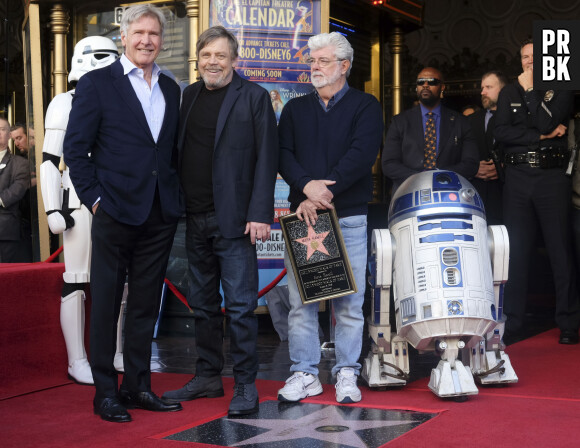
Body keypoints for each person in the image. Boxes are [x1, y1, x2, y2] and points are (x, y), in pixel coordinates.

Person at [63, 4, 183, 423]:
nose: (147, 40)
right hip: (113, 211)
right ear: (124, 36)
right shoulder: (97, 84)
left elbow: (167, 152)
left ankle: (137, 386)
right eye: (139, 33)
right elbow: (75, 151)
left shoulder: (171, 88)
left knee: (145, 306)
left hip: (159, 212)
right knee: (107, 304)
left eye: (154, 34)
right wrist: (95, 200)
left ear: (161, 40)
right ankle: (105, 393)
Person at [161, 26, 278, 417]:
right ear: (199, 58)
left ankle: (245, 385)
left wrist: (261, 213)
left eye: (221, 56)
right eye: (207, 55)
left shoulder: (255, 97)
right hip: (193, 218)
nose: (213, 62)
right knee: (203, 306)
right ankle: (209, 376)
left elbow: (267, 159)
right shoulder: (188, 96)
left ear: (234, 60)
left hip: (236, 221)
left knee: (242, 307)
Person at [277, 32, 383, 404]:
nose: (314, 67)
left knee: (349, 304)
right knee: (302, 301)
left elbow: (362, 153)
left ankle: (347, 373)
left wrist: (323, 193)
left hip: (348, 216)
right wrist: (307, 187)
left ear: (344, 65)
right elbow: (283, 155)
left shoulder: (366, 106)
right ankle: (304, 373)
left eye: (322, 61)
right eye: (311, 61)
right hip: (303, 216)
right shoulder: (294, 109)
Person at [39, 36, 120, 385]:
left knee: (123, 281)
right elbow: (48, 161)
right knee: (76, 279)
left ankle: (116, 353)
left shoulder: (123, 98)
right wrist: (52, 209)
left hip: (118, 199)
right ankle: (77, 359)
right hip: (78, 202)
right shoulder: (64, 102)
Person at [494, 38, 580, 345]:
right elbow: (499, 132)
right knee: (516, 251)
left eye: (535, 56)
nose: (529, 61)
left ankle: (568, 322)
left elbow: (547, 116)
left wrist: (531, 92)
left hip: (551, 178)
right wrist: (541, 135)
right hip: (517, 178)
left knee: (560, 250)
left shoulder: (562, 87)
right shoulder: (507, 92)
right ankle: (514, 321)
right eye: (525, 57)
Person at [382, 67, 478, 194]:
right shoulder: (399, 122)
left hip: (449, 193)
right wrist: (420, 178)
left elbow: (471, 164)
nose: (425, 85)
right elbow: (389, 164)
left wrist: (438, 177)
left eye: (432, 82)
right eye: (421, 82)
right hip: (408, 192)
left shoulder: (460, 122)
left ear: (442, 87)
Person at [468, 70, 508, 225]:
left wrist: (504, 166)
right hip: (476, 199)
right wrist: (474, 167)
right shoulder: (469, 121)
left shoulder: (518, 118)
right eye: (482, 87)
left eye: (488, 87)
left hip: (507, 197)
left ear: (503, 90)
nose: (482, 92)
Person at [0, 117, 30, 262]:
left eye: (2, 129)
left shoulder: (20, 163)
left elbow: (18, 189)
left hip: (6, 232)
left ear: (8, 136)